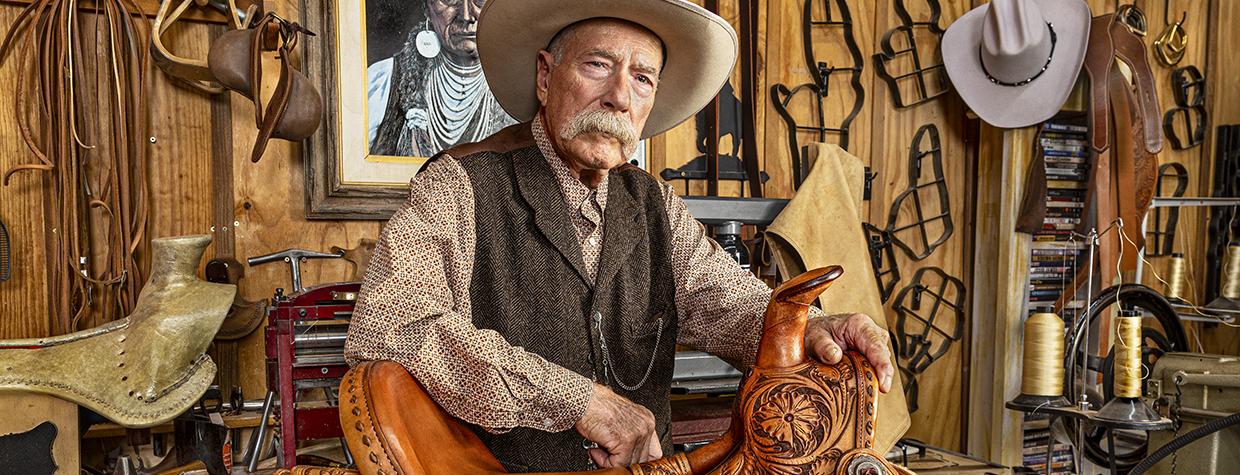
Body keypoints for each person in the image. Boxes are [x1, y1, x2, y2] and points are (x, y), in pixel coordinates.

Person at [345, 0, 896, 471]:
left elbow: (726, 303)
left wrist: (809, 325)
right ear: (545, 76)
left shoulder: (653, 203)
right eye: (598, 65)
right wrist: (577, 400)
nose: (619, 96)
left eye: (642, 77)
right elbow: (389, 328)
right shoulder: (459, 184)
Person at [366, 0, 515, 156]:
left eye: (480, 1)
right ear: (427, 9)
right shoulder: (384, 79)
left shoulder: (521, 89)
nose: (466, 16)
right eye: (450, 0)